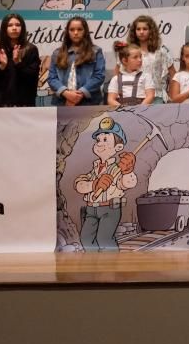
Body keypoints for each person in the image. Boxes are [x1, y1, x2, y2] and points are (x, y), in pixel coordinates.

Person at [73, 116, 137, 251]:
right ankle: (93, 265)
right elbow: (79, 185)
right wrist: (94, 184)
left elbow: (127, 183)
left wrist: (127, 171)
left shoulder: (118, 169)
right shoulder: (95, 169)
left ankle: (111, 266)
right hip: (91, 210)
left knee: (104, 239)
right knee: (86, 239)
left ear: (118, 147)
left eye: (105, 139)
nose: (99, 143)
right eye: (98, 140)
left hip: (109, 210)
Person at [0, 13, 39, 107]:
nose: (14, 28)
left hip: (24, 103)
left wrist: (18, 63)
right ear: (4, 28)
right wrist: (2, 66)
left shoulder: (31, 49)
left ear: (23, 28)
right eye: (10, 25)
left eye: (18, 25)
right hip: (0, 103)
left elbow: (33, 78)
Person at [48, 16, 106, 106]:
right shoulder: (57, 53)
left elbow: (99, 76)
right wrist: (66, 93)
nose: (76, 33)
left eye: (79, 29)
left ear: (85, 31)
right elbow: (52, 78)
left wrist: (80, 94)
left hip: (89, 102)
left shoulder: (96, 51)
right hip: (63, 102)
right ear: (67, 32)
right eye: (72, 30)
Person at [127, 15, 175, 102]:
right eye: (138, 29)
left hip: (157, 96)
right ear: (134, 32)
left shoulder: (161, 51)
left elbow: (173, 75)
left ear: (151, 31)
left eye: (145, 29)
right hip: (134, 96)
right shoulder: (127, 52)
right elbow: (118, 74)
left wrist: (171, 94)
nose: (141, 32)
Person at [107, 42, 155, 107]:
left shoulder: (146, 76)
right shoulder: (116, 79)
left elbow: (150, 96)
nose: (140, 60)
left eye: (140, 57)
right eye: (135, 57)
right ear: (124, 61)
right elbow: (111, 99)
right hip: (122, 112)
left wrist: (139, 109)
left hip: (142, 111)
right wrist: (124, 110)